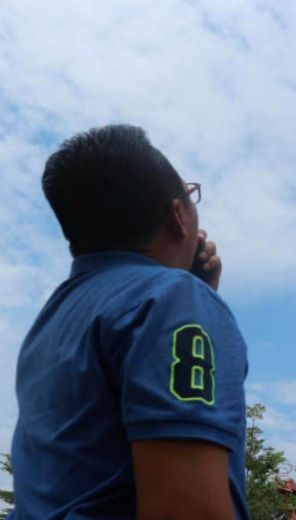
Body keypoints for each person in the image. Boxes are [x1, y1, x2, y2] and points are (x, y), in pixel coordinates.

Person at [10, 125, 249, 519]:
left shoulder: (52, 322)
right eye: (189, 195)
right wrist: (190, 298)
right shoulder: (172, 299)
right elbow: (186, 511)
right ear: (178, 216)